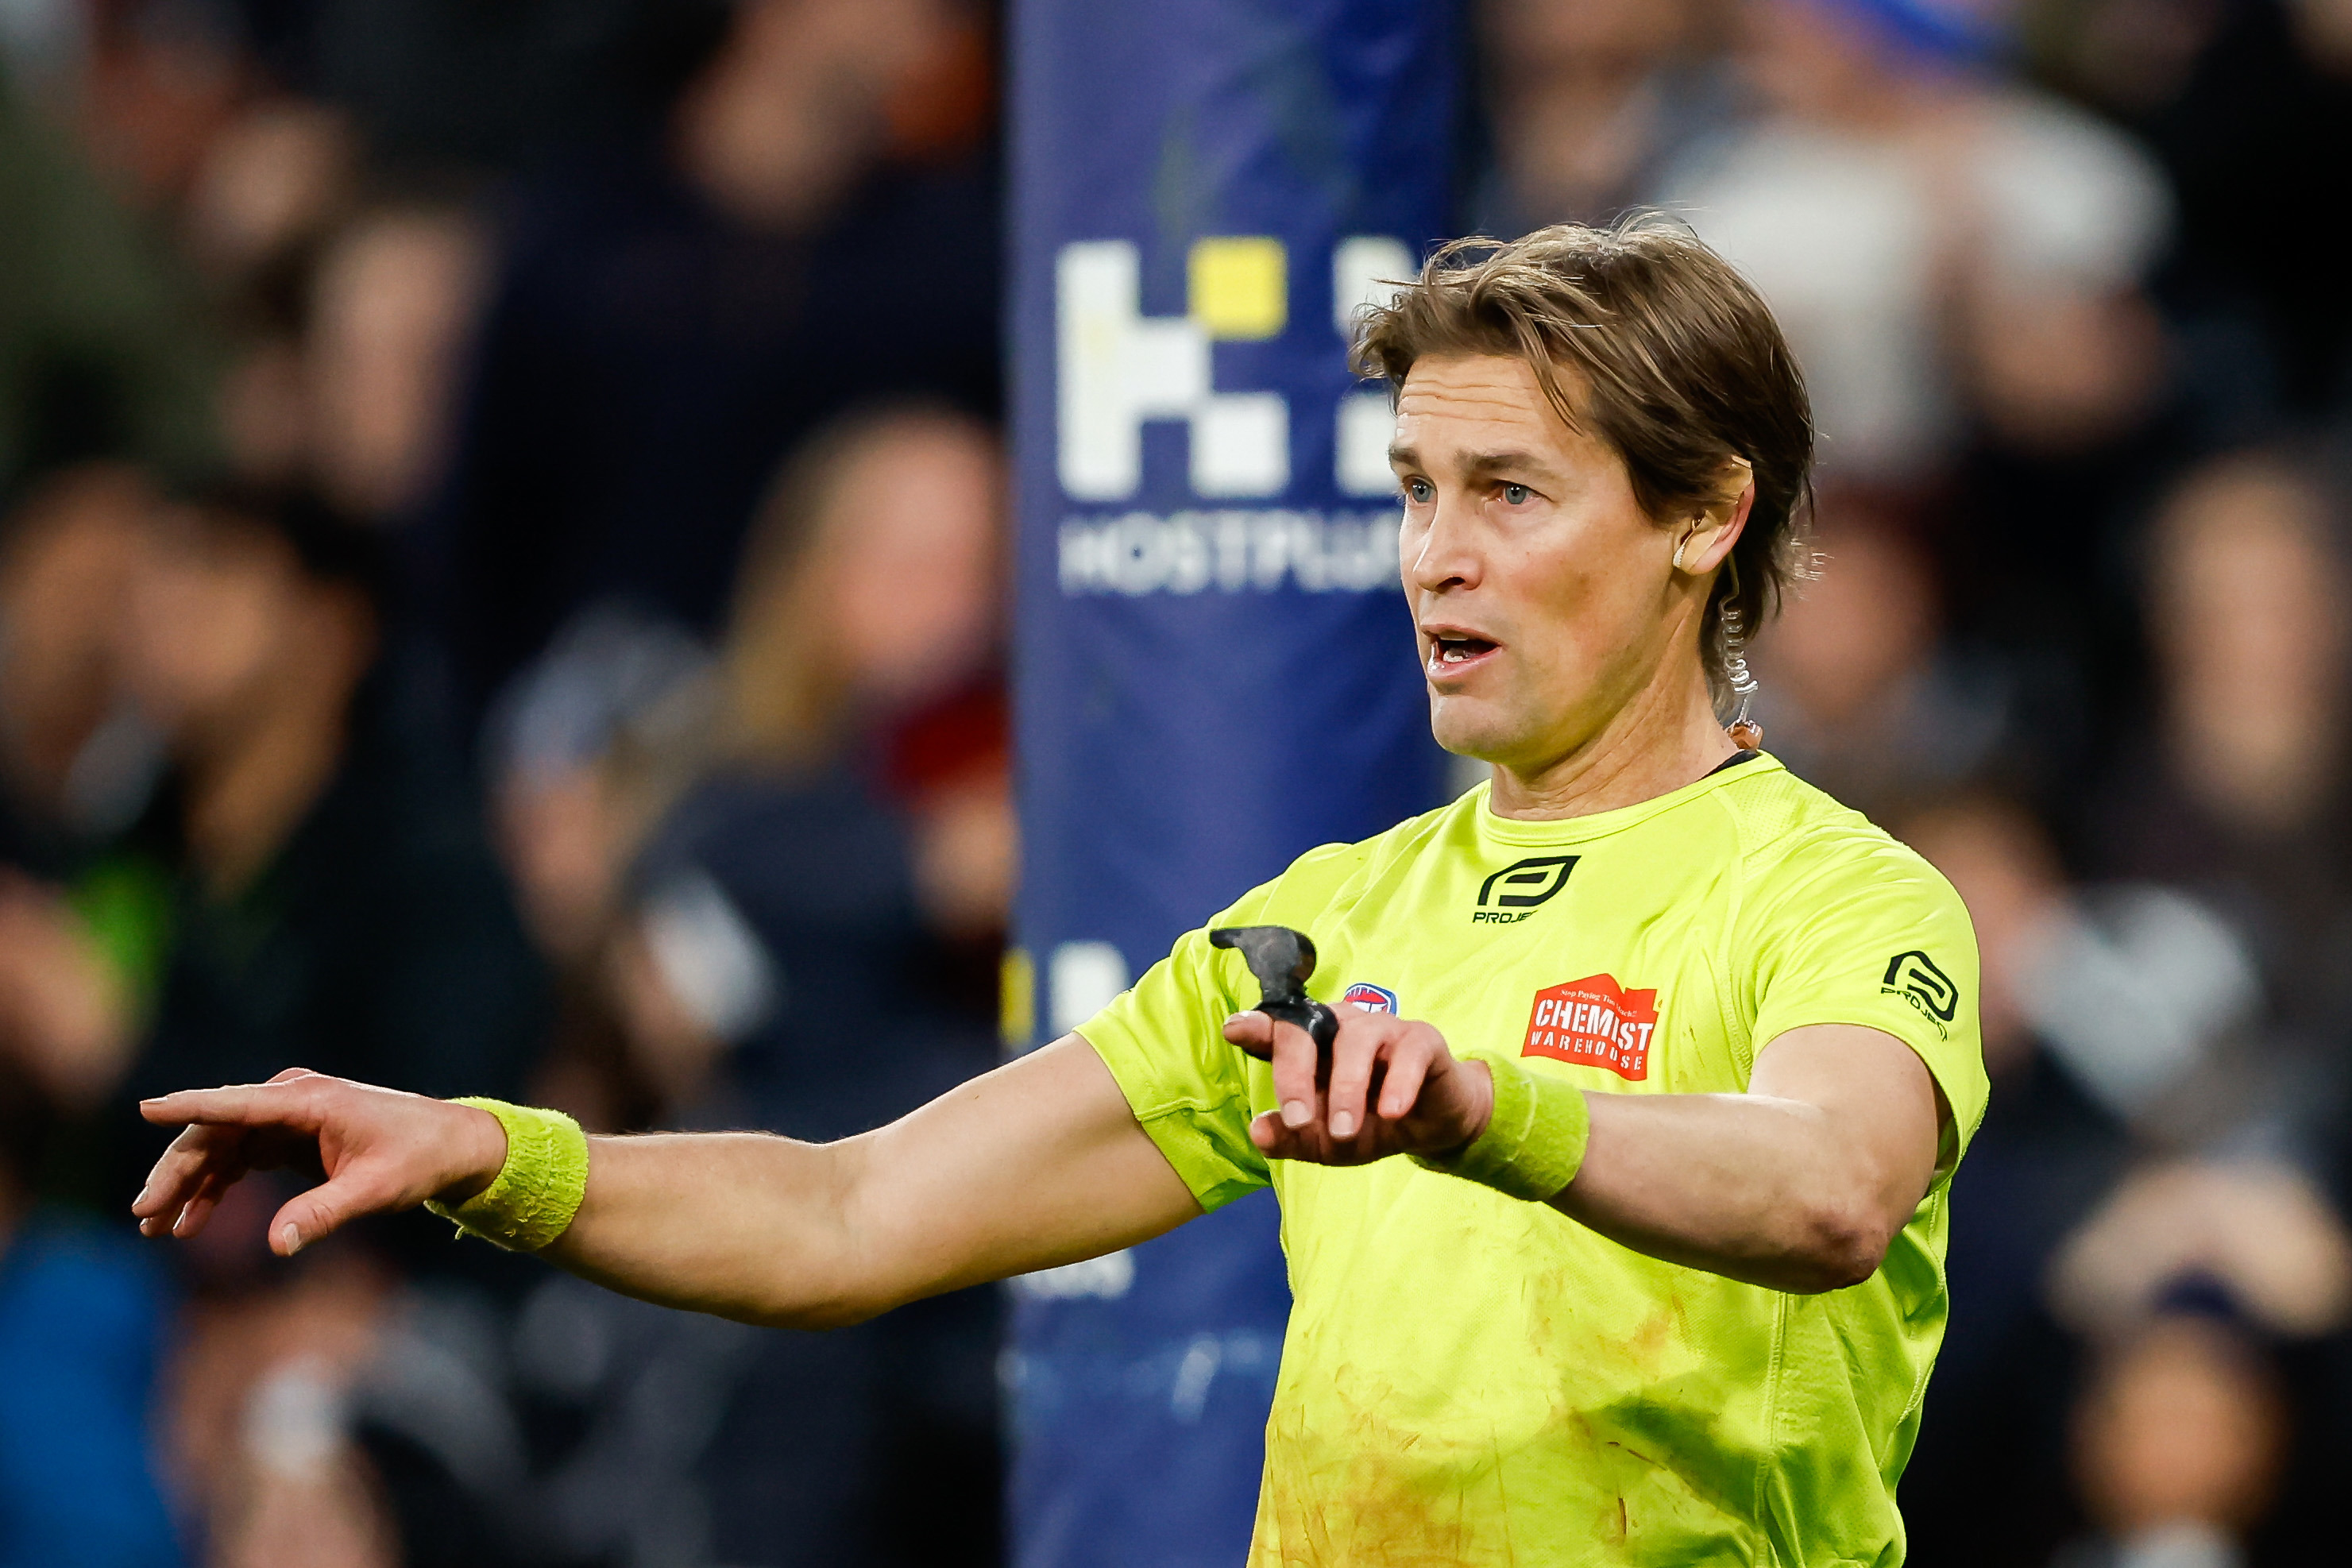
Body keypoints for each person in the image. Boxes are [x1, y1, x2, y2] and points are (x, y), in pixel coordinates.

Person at [132, 218, 1988, 1563]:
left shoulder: (1844, 898)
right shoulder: (1336, 918)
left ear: (1700, 516)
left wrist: (1485, 1107)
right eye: (1413, 488)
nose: (1433, 556)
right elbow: (850, 1212)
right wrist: (487, 1154)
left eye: (1508, 493)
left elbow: (1823, 1188)